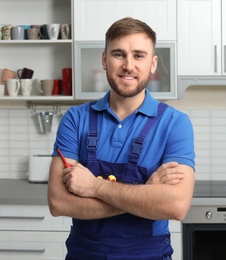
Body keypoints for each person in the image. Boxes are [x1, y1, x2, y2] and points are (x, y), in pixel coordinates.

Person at [47, 17, 195, 260]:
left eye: (139, 55)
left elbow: (176, 206)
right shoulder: (75, 119)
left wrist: (94, 187)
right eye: (118, 54)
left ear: (153, 63)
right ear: (104, 60)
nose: (128, 65)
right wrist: (146, 195)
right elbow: (58, 203)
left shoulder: (175, 124)